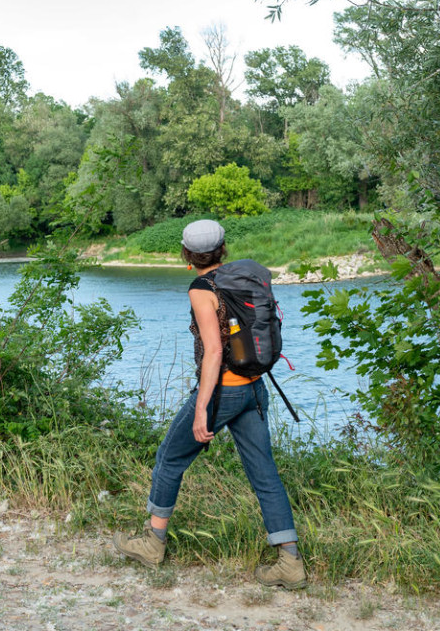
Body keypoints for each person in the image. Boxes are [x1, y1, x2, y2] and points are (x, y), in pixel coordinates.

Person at [111, 219, 305, 589]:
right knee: (264, 473)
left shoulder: (202, 288)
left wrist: (202, 408)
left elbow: (215, 350)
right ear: (223, 249)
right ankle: (290, 561)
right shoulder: (243, 276)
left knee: (169, 458)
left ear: (187, 254)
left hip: (224, 393)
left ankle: (153, 544)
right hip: (254, 388)